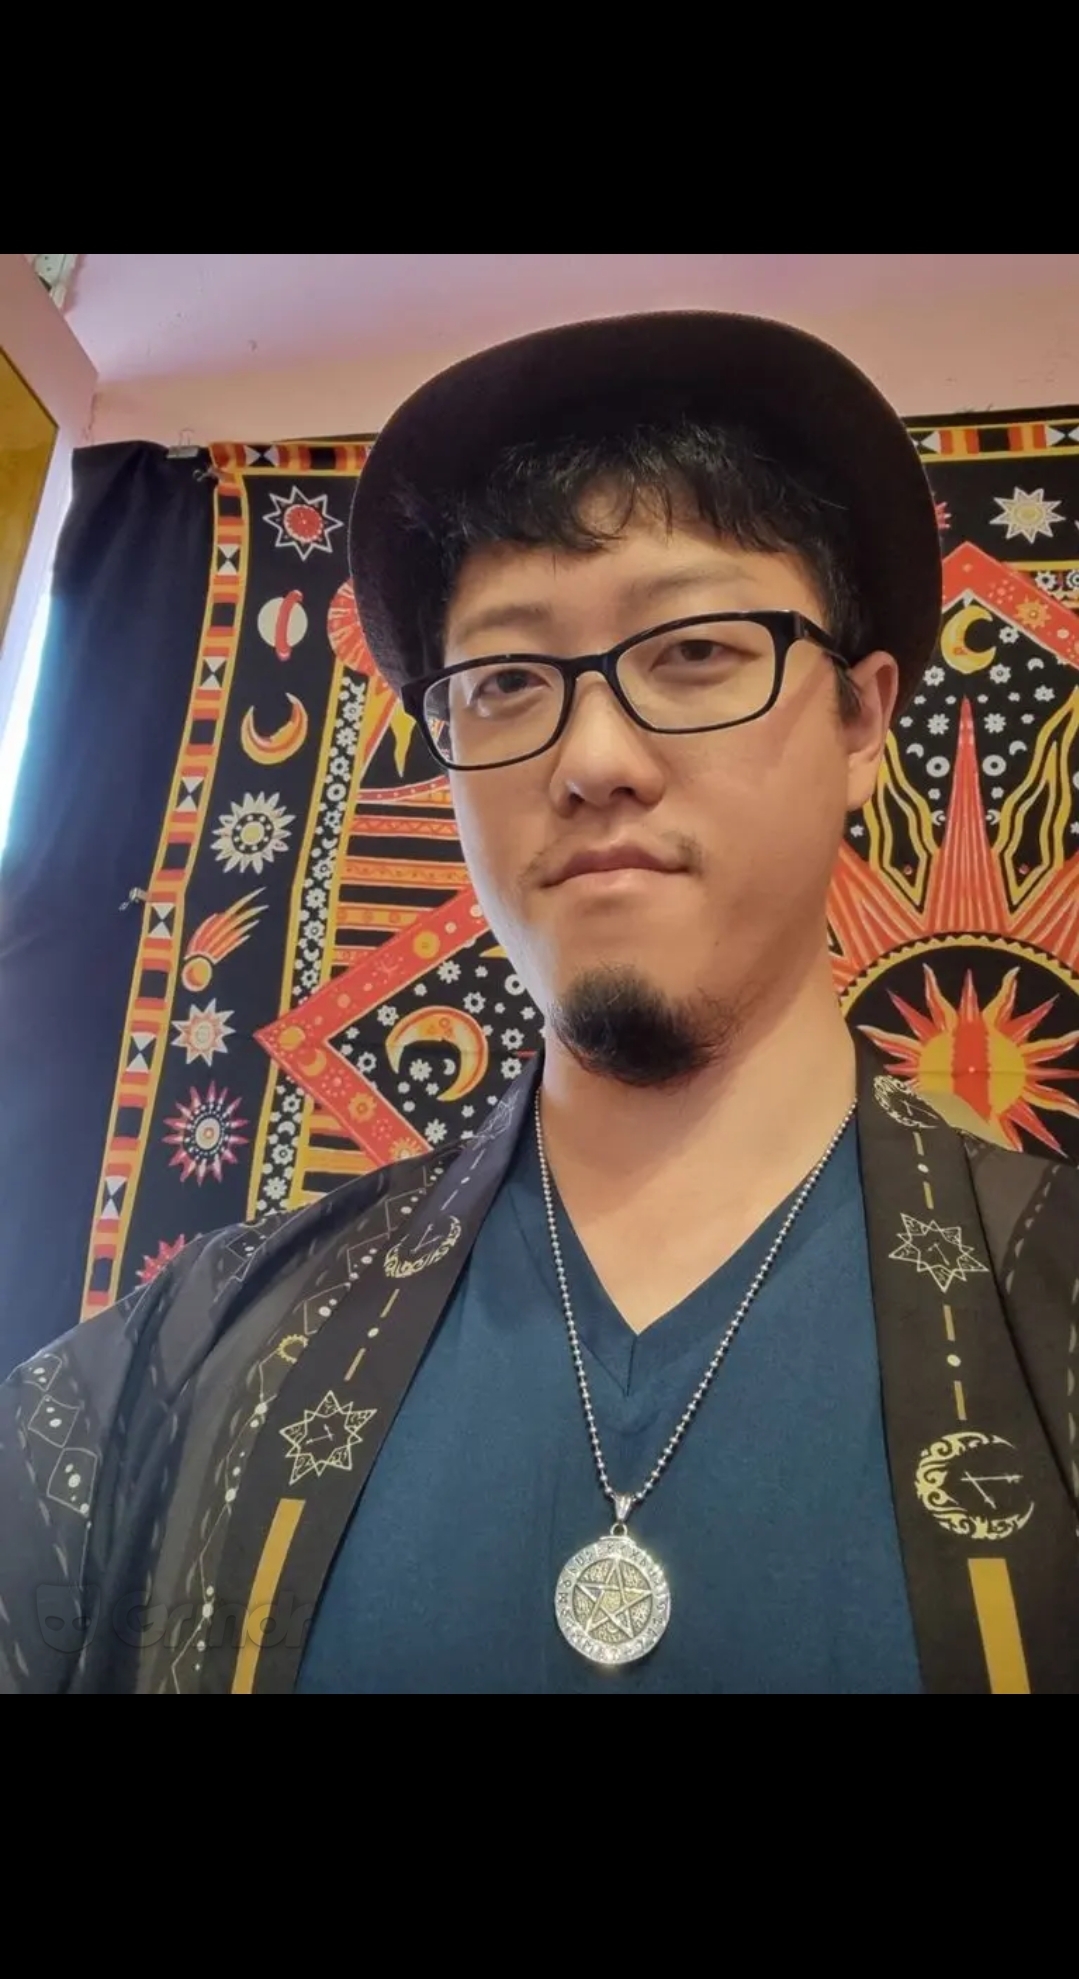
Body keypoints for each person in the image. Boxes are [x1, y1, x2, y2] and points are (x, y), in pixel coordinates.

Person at [2, 312, 1077, 1696]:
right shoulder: (186, 1364)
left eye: (696, 651)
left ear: (862, 722)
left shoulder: (1050, 1313)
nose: (594, 756)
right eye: (508, 681)